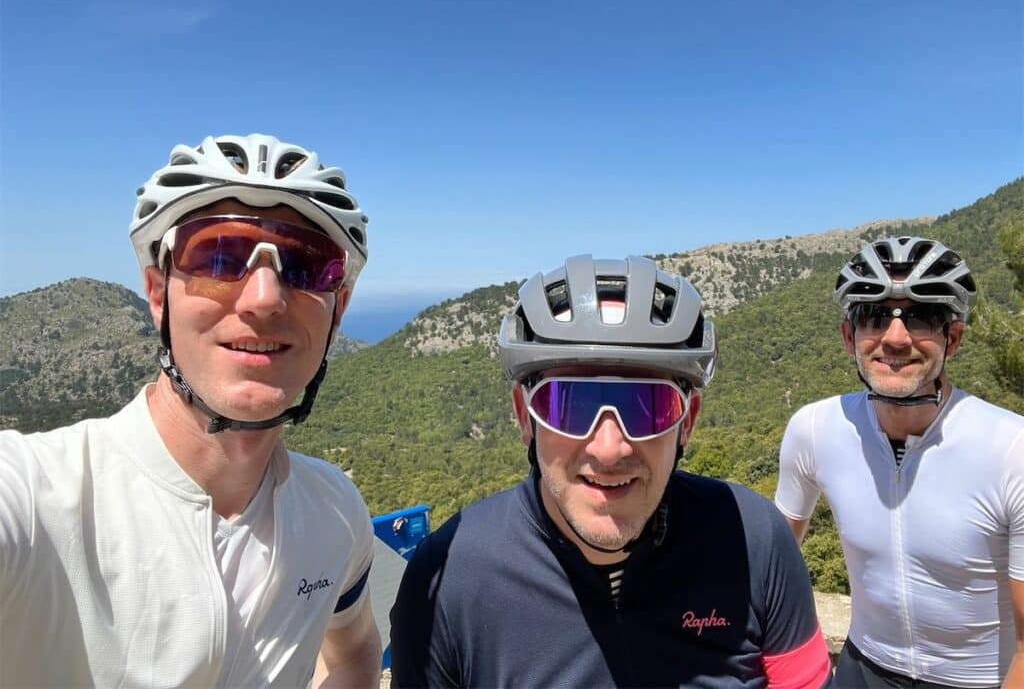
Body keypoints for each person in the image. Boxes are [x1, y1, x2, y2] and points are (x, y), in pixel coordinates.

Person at [0, 134, 382, 687]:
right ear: (158, 292)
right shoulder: (37, 500)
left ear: (337, 308)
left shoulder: (334, 513)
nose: (264, 298)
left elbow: (353, 650)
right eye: (219, 256)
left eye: (304, 265)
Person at [390, 254, 833, 688]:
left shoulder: (753, 541)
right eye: (568, 404)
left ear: (688, 421)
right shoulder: (450, 579)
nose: (608, 448)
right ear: (525, 417)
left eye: (648, 406)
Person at [775, 236, 1024, 688]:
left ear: (954, 337)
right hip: (861, 668)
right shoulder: (814, 428)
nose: (895, 337)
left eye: (921, 317)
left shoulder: (1012, 449)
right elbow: (773, 558)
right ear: (849, 336)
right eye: (874, 317)